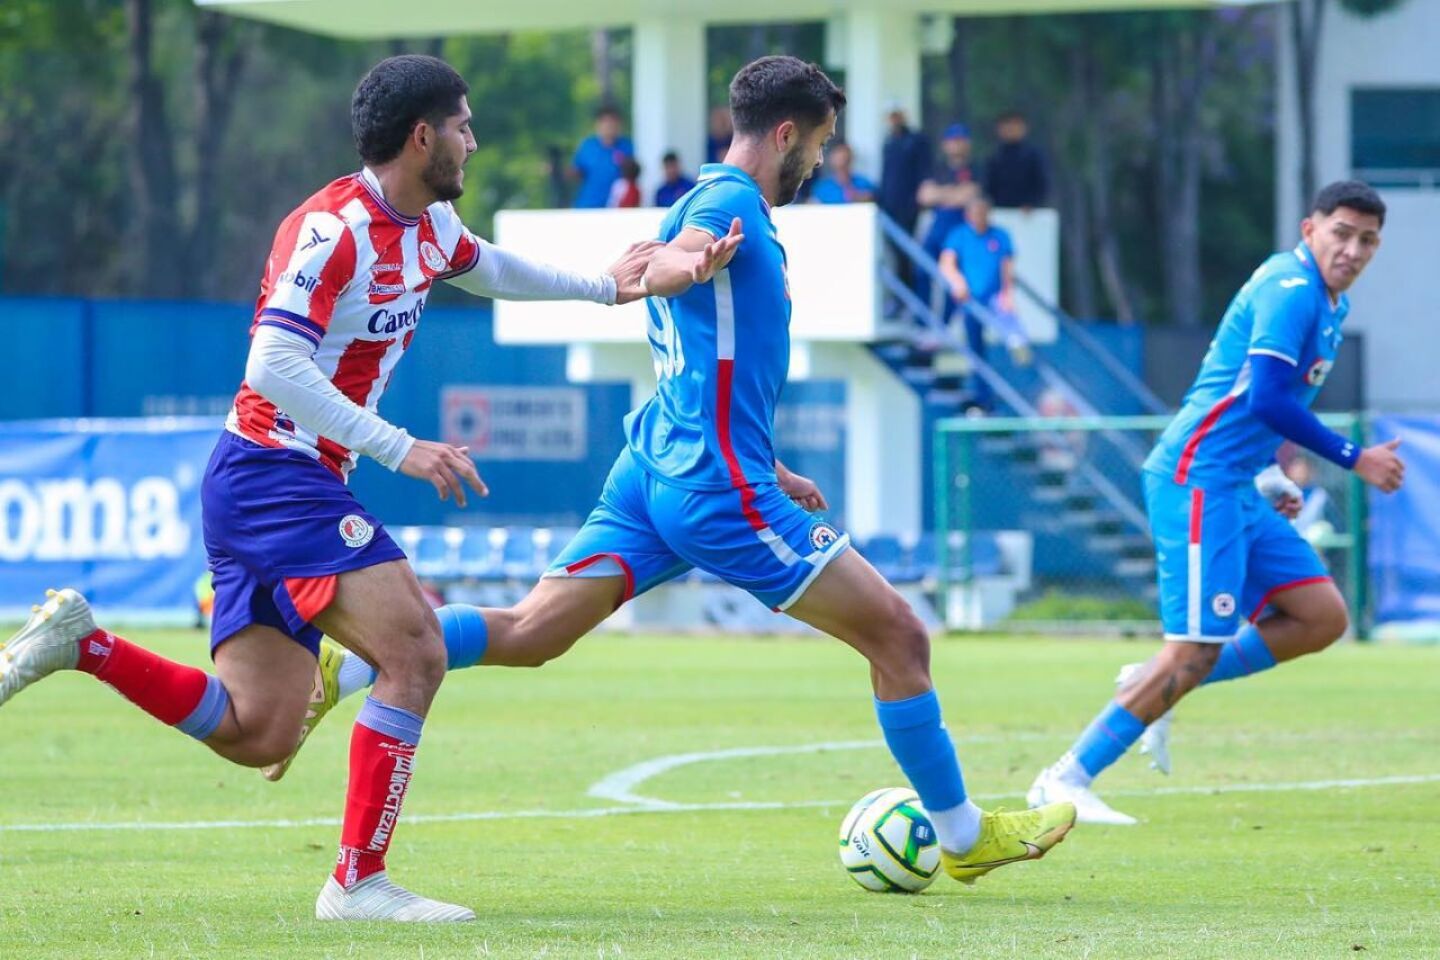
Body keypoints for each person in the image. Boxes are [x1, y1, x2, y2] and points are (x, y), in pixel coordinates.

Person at [276, 55, 1077, 885]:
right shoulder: (728, 206)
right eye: (819, 144)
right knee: (900, 635)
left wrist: (771, 462)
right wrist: (680, 267)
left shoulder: (708, 197)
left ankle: (355, 663)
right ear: (787, 134)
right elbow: (678, 261)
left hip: (657, 470)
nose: (818, 163)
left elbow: (708, 364)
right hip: (715, 491)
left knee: (532, 631)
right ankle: (961, 836)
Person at [0, 55, 657, 921]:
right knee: (416, 651)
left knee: (256, 730)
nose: (472, 139)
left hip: (269, 483)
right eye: (462, 125)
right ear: (421, 137)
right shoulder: (331, 229)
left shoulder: (430, 224)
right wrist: (399, 447)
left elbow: (491, 268)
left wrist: (607, 287)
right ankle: (356, 881)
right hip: (276, 474)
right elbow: (271, 364)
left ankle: (84, 645)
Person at [1026, 180, 1403, 825]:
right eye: (1342, 233)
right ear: (1310, 229)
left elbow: (1237, 392)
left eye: (1367, 240)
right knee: (1196, 648)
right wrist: (1354, 457)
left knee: (1319, 617)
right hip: (1199, 479)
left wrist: (1267, 472)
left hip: (1235, 480)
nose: (1353, 249)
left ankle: (1153, 678)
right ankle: (1065, 779)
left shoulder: (1325, 302)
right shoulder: (1291, 290)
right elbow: (1266, 398)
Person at [936, 192, 1028, 413]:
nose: (980, 217)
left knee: (1007, 317)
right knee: (975, 348)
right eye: (976, 213)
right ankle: (982, 396)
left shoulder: (999, 236)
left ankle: (1018, 343)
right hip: (971, 301)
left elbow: (1006, 267)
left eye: (983, 213)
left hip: (993, 297)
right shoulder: (960, 235)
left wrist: (1008, 294)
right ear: (968, 215)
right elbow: (947, 263)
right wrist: (958, 282)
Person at [917, 122, 979, 305]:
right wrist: (954, 193)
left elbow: (969, 195)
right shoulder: (938, 168)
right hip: (938, 228)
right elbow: (924, 196)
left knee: (953, 278)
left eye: (960, 140)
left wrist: (940, 194)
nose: (956, 145)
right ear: (945, 144)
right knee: (922, 270)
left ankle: (946, 320)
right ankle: (922, 317)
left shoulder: (975, 169)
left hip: (961, 229)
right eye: (953, 140)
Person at [982, 111, 1048, 211]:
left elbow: (1041, 185)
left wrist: (1031, 203)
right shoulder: (994, 157)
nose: (1011, 129)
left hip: (1028, 213)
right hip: (1000, 211)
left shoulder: (1034, 156)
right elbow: (988, 187)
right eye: (1007, 125)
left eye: (1016, 125)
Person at [572, 105, 634, 209]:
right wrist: (557, 170)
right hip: (588, 206)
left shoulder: (627, 146)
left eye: (612, 122)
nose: (609, 126)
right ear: (598, 124)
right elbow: (577, 171)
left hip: (617, 207)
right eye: (605, 122)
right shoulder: (588, 146)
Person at [808, 142, 875, 204]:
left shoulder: (863, 183)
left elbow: (873, 202)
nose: (842, 163)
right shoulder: (821, 187)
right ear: (831, 160)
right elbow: (812, 205)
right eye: (839, 160)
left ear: (851, 160)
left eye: (845, 160)